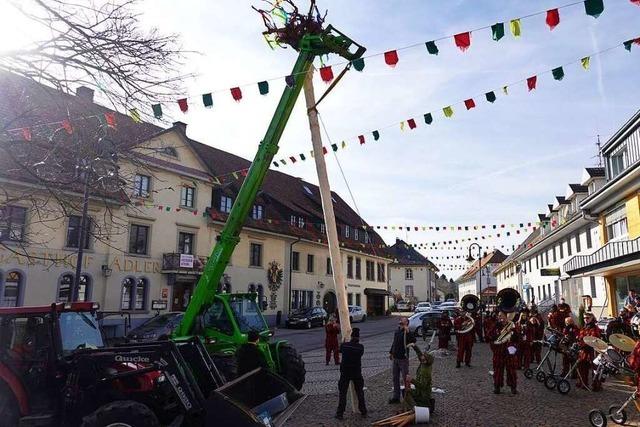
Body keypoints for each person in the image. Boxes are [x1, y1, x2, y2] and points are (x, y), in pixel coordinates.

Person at [335, 328, 367, 420]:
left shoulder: (345, 346)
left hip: (345, 372)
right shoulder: (360, 347)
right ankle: (363, 411)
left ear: (351, 336)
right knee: (360, 392)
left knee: (343, 393)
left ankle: (340, 413)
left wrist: (344, 341)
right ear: (358, 338)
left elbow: (339, 350)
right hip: (356, 372)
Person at [487, 312, 519, 394]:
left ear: (506, 316)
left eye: (501, 315)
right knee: (497, 370)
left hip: (509, 351)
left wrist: (513, 333)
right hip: (499, 351)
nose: (499, 317)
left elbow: (518, 338)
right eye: (499, 315)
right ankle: (497, 386)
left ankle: (513, 387)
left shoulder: (513, 326)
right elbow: (488, 336)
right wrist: (496, 338)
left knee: (512, 370)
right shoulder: (495, 326)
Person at [388, 317, 416, 404]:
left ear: (406, 323)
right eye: (400, 320)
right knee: (395, 378)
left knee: (405, 378)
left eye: (403, 320)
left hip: (403, 359)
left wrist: (408, 332)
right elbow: (394, 342)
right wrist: (391, 352)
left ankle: (408, 397)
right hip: (395, 358)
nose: (400, 321)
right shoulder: (397, 331)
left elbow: (413, 340)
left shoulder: (406, 332)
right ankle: (396, 397)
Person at [576, 312, 602, 391]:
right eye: (584, 318)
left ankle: (596, 385)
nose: (585, 319)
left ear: (592, 318)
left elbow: (593, 339)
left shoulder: (594, 327)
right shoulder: (584, 327)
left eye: (587, 318)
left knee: (595, 369)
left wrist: (583, 342)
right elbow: (581, 337)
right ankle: (583, 383)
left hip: (592, 350)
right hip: (584, 350)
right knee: (582, 366)